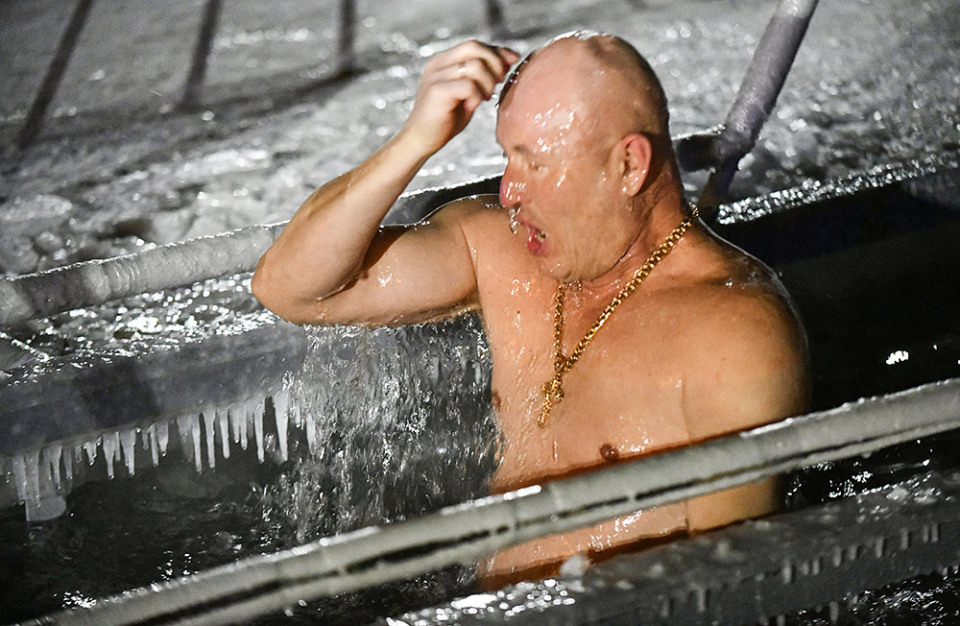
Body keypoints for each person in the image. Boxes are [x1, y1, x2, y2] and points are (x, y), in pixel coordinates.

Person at [251, 32, 810, 587]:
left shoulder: (730, 336)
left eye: (534, 164)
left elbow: (730, 592)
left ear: (629, 165)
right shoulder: (503, 254)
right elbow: (290, 289)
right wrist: (414, 141)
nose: (509, 193)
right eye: (506, 158)